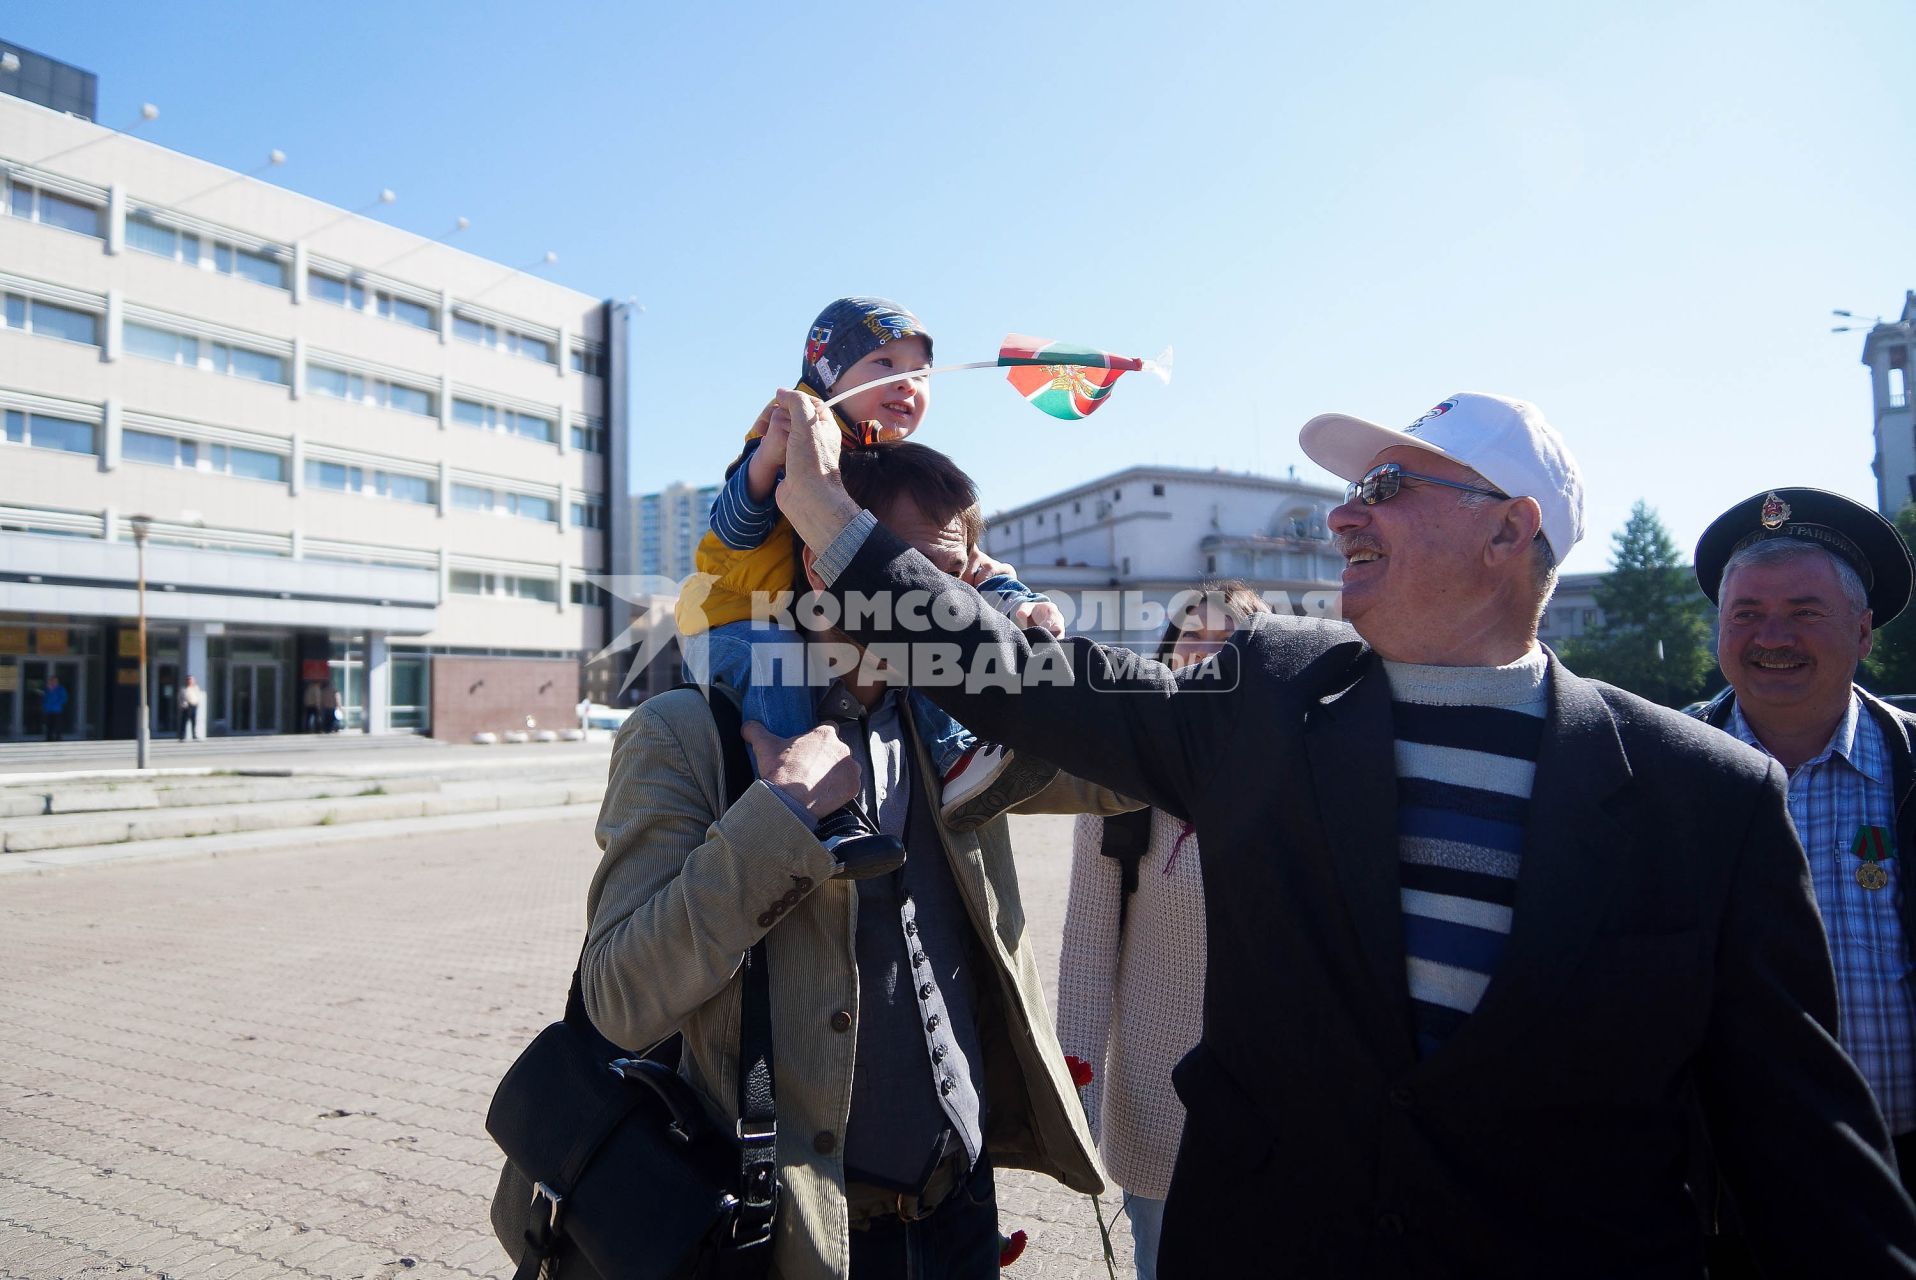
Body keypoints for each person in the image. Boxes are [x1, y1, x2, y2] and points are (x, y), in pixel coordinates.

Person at [773, 386, 1916, 1277]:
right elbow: (1023, 677)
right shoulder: (1269, 693)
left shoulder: (1700, 792)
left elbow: (1800, 1152)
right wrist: (830, 520)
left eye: (1384, 483)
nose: (1340, 512)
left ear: (1508, 531)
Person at [583, 439, 1130, 1279]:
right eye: (915, 570)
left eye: (961, 579)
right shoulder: (687, 737)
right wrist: (780, 819)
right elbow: (618, 997)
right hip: (791, 1227)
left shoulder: (957, 733)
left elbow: (1129, 773)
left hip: (962, 1203)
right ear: (827, 556)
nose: (943, 602)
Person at [673, 297, 1063, 851]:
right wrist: (767, 462)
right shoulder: (793, 429)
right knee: (776, 654)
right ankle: (812, 800)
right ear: (829, 375)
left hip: (818, 622)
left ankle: (956, 756)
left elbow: (956, 567)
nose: (908, 384)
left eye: (921, 374)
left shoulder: (897, 472)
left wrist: (1012, 598)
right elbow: (732, 528)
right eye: (884, 364)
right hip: (734, 615)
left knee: (922, 620)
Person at [1690, 489, 1916, 1192]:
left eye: (1805, 613)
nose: (1773, 638)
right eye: (1748, 614)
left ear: (1865, 633)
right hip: (1721, 1190)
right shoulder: (1647, 775)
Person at [1055, 580, 1271, 1280]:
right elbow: (1086, 957)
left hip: (1278, 1108)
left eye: (1225, 639)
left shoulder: (1297, 781)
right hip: (1156, 1104)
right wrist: (1076, 1106)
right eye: (1189, 636)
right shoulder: (1120, 784)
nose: (1201, 653)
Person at [178, 674, 204, 742]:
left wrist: (197, 702)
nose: (190, 681)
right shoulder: (183, 689)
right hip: (186, 706)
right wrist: (181, 705)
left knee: (194, 721)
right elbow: (180, 698)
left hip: (193, 705)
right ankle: (182, 736)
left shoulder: (196, 688)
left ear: (193, 681)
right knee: (184, 721)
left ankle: (194, 735)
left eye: (191, 680)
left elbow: (198, 696)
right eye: (188, 680)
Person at [41, 672, 66, 742]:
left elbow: (63, 698)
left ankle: (58, 738)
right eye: (52, 680)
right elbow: (44, 699)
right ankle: (49, 739)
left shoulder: (61, 689)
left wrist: (57, 704)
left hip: (57, 710)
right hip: (48, 711)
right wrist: (44, 706)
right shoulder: (46, 689)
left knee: (58, 726)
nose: (53, 682)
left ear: (57, 681)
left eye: (55, 681)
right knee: (49, 726)